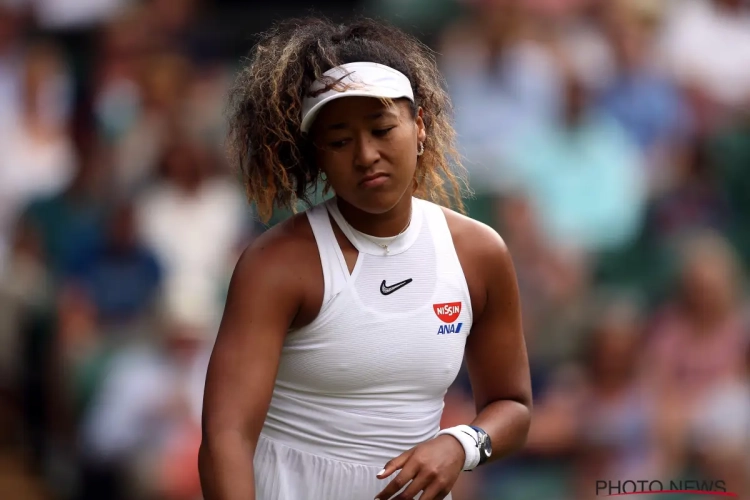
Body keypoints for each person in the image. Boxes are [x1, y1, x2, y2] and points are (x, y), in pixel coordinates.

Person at [199, 16, 532, 500]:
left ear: (419, 126)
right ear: (317, 156)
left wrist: (461, 444)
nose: (365, 154)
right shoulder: (277, 265)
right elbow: (226, 435)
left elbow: (513, 407)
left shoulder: (479, 253)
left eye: (381, 128)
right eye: (339, 141)